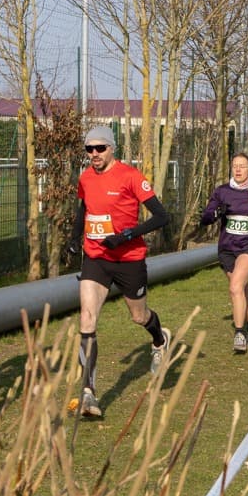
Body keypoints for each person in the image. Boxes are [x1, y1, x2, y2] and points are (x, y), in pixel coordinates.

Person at [69, 126, 172, 419]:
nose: (94, 154)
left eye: (100, 148)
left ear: (112, 148)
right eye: (89, 149)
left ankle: (159, 339)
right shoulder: (86, 177)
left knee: (139, 316)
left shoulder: (131, 177)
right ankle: (88, 392)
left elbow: (162, 217)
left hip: (129, 259)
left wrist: (126, 236)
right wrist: (74, 240)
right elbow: (83, 210)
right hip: (96, 257)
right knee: (87, 320)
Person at [201, 153, 248, 352]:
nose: (238, 169)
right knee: (241, 289)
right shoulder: (222, 192)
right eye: (235, 166)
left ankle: (239, 333)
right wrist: (217, 213)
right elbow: (206, 217)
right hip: (227, 249)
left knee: (235, 287)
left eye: (242, 166)